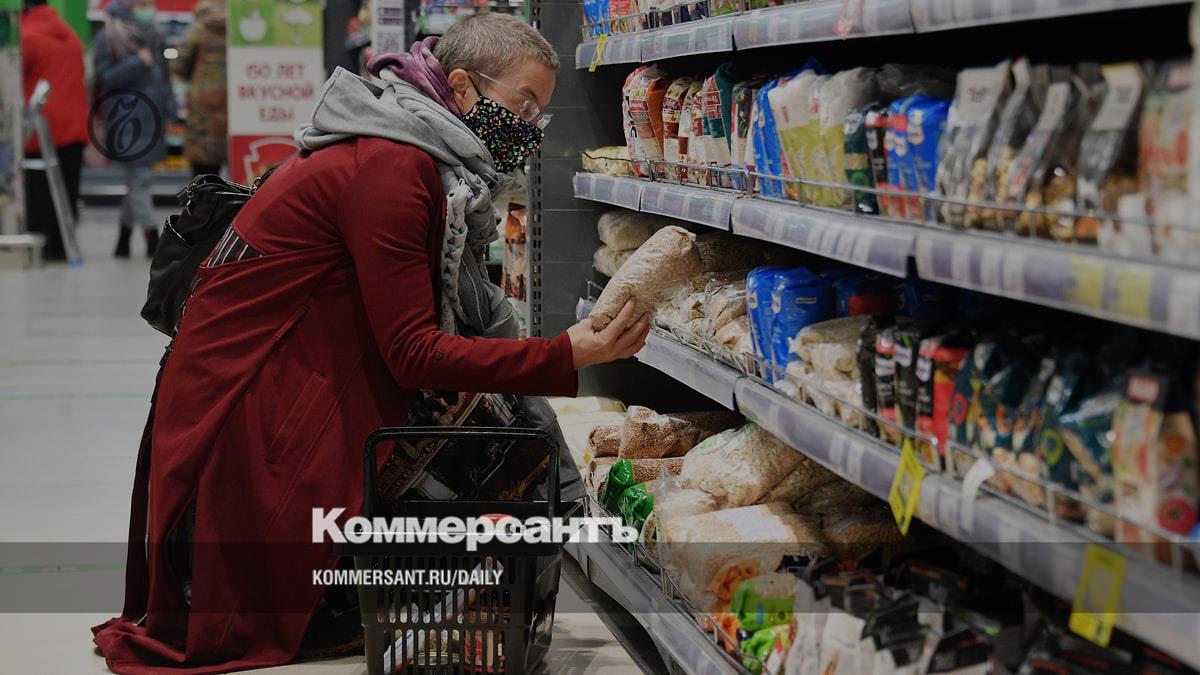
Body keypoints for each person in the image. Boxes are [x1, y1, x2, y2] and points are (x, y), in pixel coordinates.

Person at [91, 14, 652, 674]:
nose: (530, 128)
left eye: (541, 115)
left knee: (490, 425)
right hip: (250, 412)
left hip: (267, 380)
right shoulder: (393, 169)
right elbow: (413, 353)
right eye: (523, 105)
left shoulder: (408, 146)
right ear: (463, 88)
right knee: (494, 439)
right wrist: (566, 354)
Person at [92, 0, 175, 258]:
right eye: (141, 3)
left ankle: (123, 239)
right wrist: (138, 62)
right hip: (126, 118)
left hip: (153, 117)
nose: (146, 7)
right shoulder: (109, 35)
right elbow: (105, 77)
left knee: (137, 181)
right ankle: (154, 240)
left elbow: (164, 76)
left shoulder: (155, 34)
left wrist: (170, 108)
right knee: (140, 179)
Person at [20, 0, 88, 262]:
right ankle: (62, 246)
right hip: (74, 121)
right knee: (67, 189)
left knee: (39, 188)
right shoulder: (70, 35)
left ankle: (42, 245)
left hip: (41, 124)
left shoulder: (27, 36)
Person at [171, 0, 226, 178]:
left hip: (204, 106)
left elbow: (179, 65)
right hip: (237, 106)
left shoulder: (198, 28)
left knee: (204, 173)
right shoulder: (243, 25)